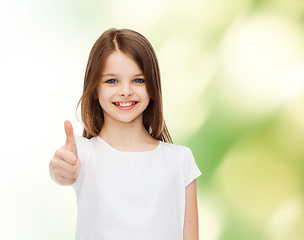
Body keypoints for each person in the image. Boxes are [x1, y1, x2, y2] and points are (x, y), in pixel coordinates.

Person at [49, 28, 202, 240]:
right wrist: (61, 169)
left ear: (153, 86)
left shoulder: (179, 160)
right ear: (94, 89)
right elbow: (61, 169)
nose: (126, 91)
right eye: (112, 81)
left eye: (138, 80)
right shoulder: (83, 153)